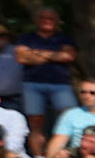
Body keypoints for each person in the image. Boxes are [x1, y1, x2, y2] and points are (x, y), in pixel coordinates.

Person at [14, 10, 76, 141]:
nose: (47, 21)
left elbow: (68, 56)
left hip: (61, 84)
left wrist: (35, 53)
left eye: (51, 18)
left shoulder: (65, 38)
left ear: (57, 21)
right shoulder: (26, 38)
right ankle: (38, 153)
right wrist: (54, 55)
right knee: (34, 122)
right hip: (32, 84)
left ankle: (66, 149)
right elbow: (21, 57)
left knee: (69, 117)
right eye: (43, 18)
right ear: (36, 20)